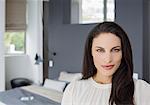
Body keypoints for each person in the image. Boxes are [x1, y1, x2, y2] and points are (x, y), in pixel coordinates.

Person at [61, 22, 150, 105]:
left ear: (123, 53)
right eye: (100, 50)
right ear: (90, 52)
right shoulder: (73, 90)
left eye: (115, 50)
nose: (108, 59)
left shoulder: (142, 90)